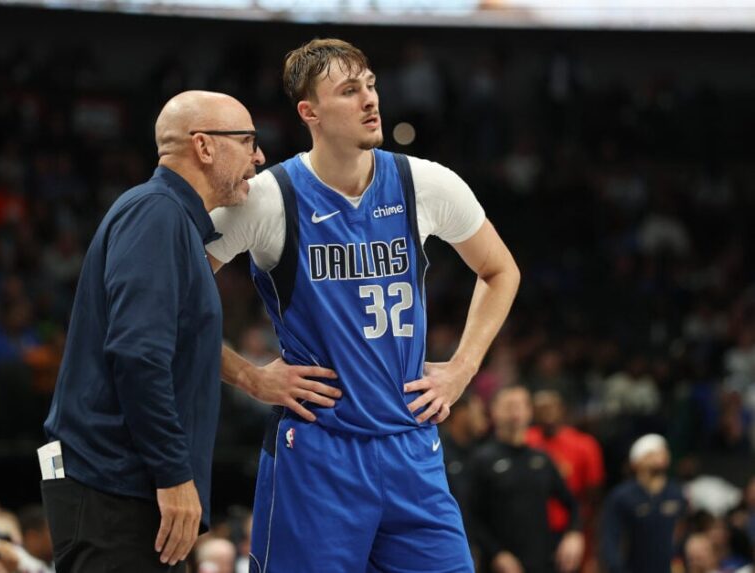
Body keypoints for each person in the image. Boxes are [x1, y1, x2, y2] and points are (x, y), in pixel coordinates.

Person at [209, 38, 520, 572]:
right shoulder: (266, 197)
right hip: (317, 450)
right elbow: (170, 299)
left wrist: (462, 370)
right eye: (350, 91)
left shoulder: (423, 181)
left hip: (410, 446)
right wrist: (250, 378)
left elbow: (500, 270)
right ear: (310, 112)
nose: (370, 100)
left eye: (371, 85)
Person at [42, 90, 265, 572]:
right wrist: (174, 475)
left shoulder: (172, 220)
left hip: (128, 490)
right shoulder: (156, 214)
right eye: (248, 141)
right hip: (117, 488)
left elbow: (174, 348)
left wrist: (254, 379)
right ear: (204, 147)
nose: (259, 156)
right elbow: (138, 355)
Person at [465, 385, 584, 573]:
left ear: (530, 412)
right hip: (499, 566)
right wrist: (497, 553)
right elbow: (469, 515)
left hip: (542, 562)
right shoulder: (481, 459)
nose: (515, 410)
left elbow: (573, 504)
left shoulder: (541, 459)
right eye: (509, 405)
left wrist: (574, 534)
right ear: (494, 411)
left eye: (521, 405)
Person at [525, 389, 604, 569]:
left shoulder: (584, 444)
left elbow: (593, 494)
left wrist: (583, 533)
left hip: (569, 527)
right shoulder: (525, 440)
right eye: (541, 408)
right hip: (530, 528)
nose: (547, 413)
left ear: (562, 409)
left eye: (552, 407)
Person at [599, 433, 688, 573]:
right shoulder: (622, 497)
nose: (659, 455)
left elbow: (682, 536)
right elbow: (611, 540)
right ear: (636, 461)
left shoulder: (677, 494)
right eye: (651, 452)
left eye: (662, 451)